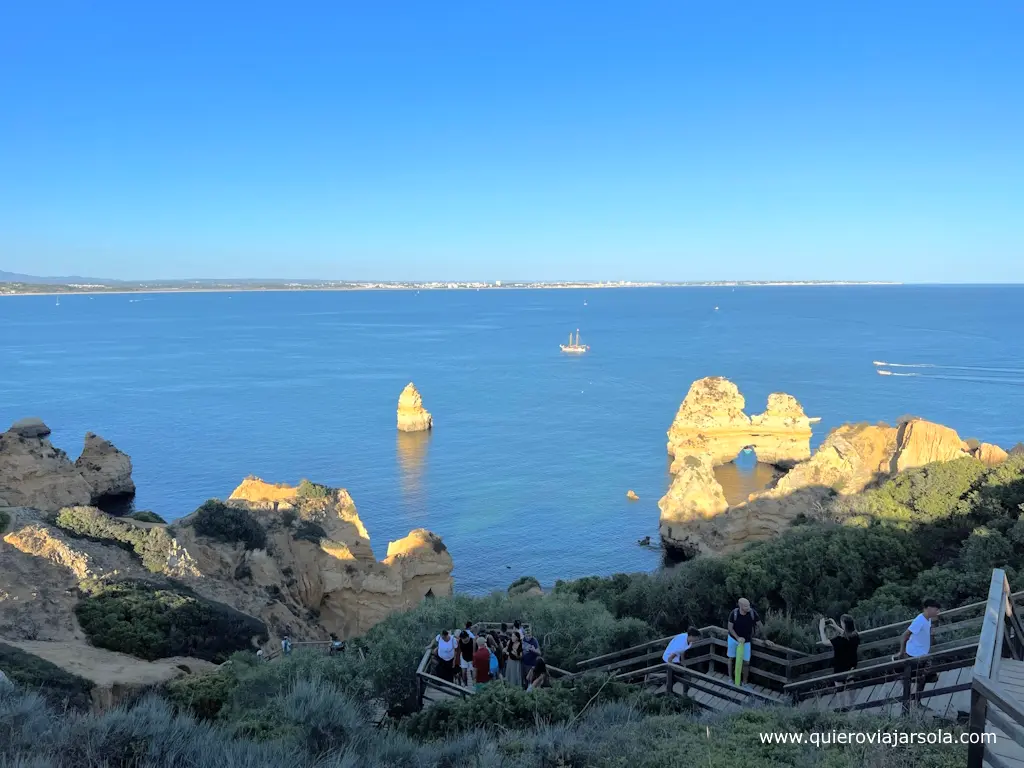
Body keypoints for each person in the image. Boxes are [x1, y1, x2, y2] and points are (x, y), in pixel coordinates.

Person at [897, 599, 941, 700]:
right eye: (936, 610)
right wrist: (902, 652)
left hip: (922, 653)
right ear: (928, 608)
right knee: (921, 677)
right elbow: (905, 635)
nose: (937, 612)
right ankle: (912, 700)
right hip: (914, 654)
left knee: (925, 677)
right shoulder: (919, 620)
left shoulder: (928, 619)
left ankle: (916, 699)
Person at [727, 598, 771, 689]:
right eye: (746, 606)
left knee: (746, 662)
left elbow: (760, 625)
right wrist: (738, 638)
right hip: (733, 639)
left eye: (749, 605)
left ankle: (745, 683)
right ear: (740, 606)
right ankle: (730, 679)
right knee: (731, 659)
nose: (748, 607)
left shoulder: (752, 613)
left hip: (746, 640)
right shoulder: (734, 614)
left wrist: (765, 639)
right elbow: (730, 628)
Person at [819, 615, 859, 709]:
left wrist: (821, 628)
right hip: (851, 667)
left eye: (841, 623)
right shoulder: (855, 635)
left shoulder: (839, 640)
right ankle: (852, 708)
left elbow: (825, 642)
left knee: (840, 692)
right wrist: (836, 626)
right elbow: (847, 635)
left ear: (844, 625)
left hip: (839, 668)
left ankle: (842, 710)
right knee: (851, 688)